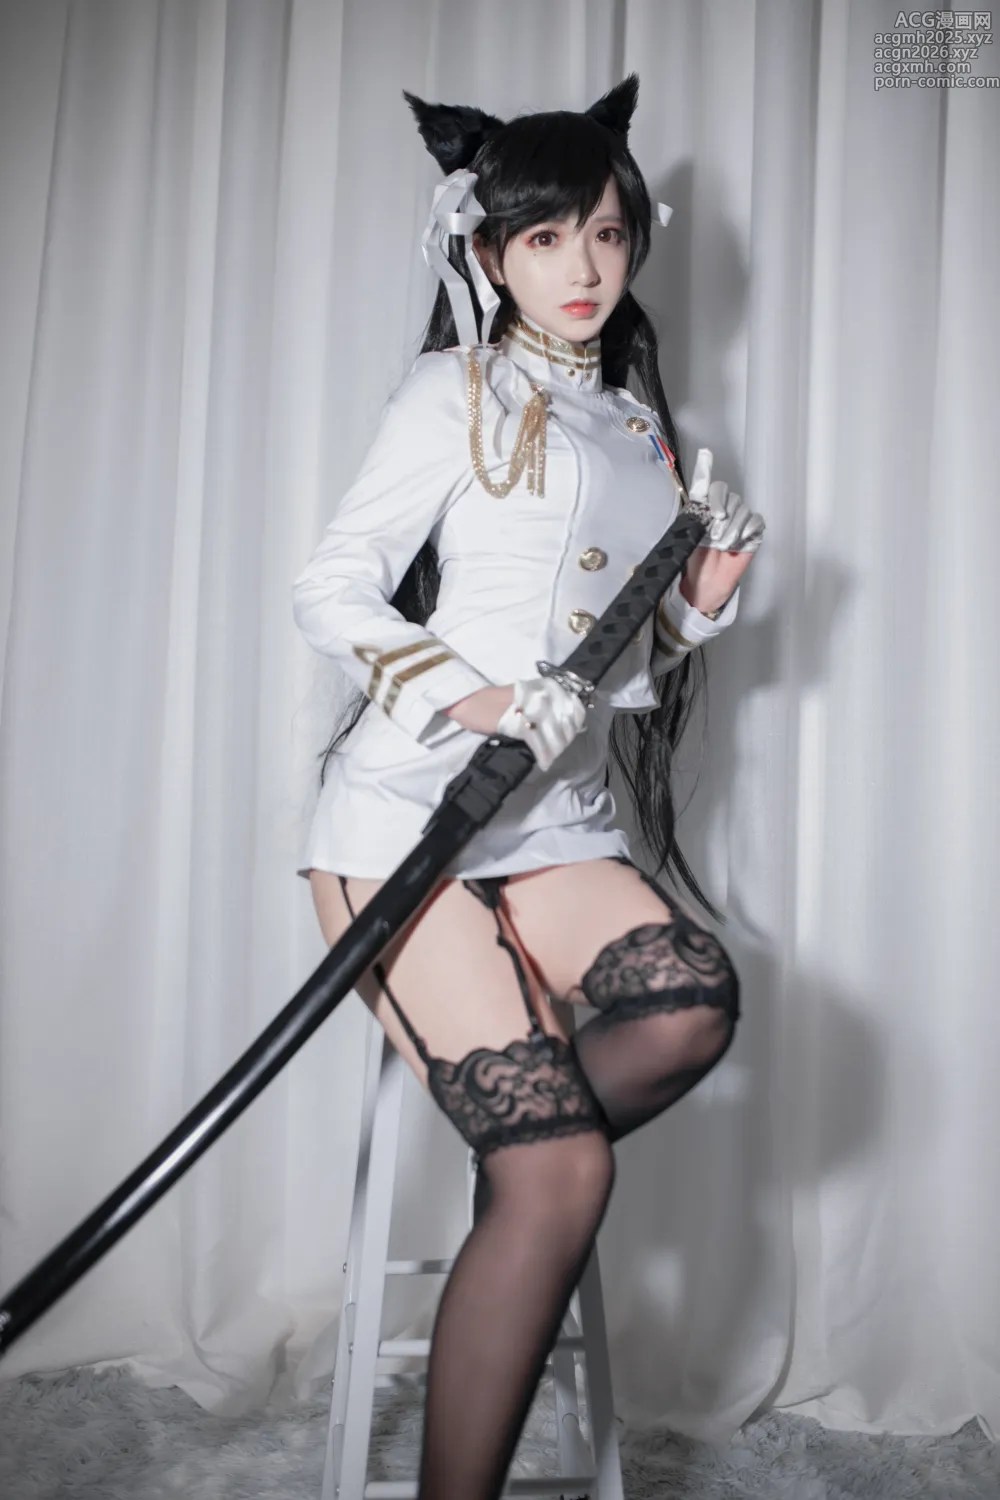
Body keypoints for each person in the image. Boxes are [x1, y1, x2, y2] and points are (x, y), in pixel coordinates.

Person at [292, 74, 763, 1500]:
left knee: (691, 999)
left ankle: (524, 1158)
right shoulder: (451, 393)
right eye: (547, 237)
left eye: (608, 234)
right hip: (409, 824)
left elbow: (609, 649)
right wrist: (477, 696)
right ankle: (536, 1175)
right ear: (489, 253)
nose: (584, 266)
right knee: (565, 1175)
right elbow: (332, 587)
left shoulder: (639, 428)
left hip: (554, 823)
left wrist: (696, 602)